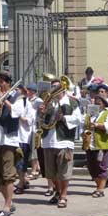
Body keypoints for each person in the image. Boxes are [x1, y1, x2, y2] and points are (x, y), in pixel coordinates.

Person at [0, 70, 24, 216]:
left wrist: (5, 100)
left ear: (8, 82)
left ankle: (7, 207)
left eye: (1, 82)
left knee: (8, 175)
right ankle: (10, 202)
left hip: (9, 139)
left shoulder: (18, 97)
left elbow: (17, 112)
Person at [39, 78, 81, 207]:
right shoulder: (48, 102)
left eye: (57, 86)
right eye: (53, 86)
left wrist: (63, 118)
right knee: (51, 172)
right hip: (48, 140)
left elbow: (78, 119)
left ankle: (64, 195)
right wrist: (41, 112)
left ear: (63, 88)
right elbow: (41, 121)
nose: (54, 89)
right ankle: (57, 192)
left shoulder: (72, 102)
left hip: (64, 140)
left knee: (64, 171)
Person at [84, 96, 108, 197]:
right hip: (90, 145)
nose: (97, 105)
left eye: (99, 103)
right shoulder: (90, 114)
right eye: (95, 103)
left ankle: (100, 189)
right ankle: (99, 187)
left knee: (101, 167)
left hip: (102, 145)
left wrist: (96, 125)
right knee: (91, 167)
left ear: (104, 104)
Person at [14, 84, 36, 194]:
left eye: (18, 91)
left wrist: (20, 117)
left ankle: (21, 183)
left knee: (21, 162)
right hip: (14, 137)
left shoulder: (28, 104)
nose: (16, 93)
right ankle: (23, 180)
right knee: (17, 163)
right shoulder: (17, 103)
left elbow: (30, 120)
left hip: (23, 137)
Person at [26, 83, 43, 180]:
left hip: (35, 128)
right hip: (28, 128)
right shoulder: (28, 100)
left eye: (29, 90)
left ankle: (34, 170)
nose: (27, 92)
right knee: (32, 149)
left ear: (33, 91)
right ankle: (38, 168)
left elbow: (41, 114)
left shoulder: (38, 100)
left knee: (33, 150)